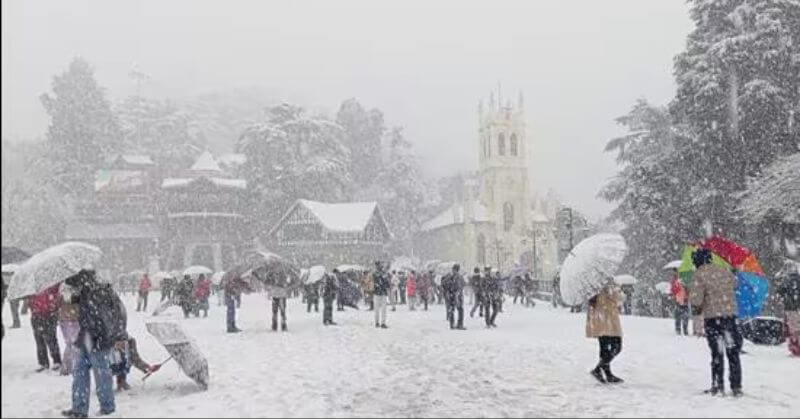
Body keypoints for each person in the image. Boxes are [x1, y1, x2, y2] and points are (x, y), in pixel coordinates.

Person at [61, 269, 125, 418]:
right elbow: (118, 312)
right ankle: (80, 409)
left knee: (99, 374)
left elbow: (105, 316)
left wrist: (105, 336)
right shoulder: (93, 289)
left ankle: (105, 408)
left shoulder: (96, 292)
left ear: (83, 279)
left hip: (97, 339)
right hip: (88, 338)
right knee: (81, 373)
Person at [689, 248, 742, 397]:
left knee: (717, 353)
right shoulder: (724, 270)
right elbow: (736, 284)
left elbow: (696, 301)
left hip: (713, 318)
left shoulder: (699, 274)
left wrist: (695, 300)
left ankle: (718, 385)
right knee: (733, 352)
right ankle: (736, 386)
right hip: (730, 317)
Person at [587, 281, 625, 384]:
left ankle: (606, 373)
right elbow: (619, 299)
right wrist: (619, 290)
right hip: (607, 320)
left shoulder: (592, 288)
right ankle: (599, 369)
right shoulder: (606, 286)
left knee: (605, 348)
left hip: (601, 320)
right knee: (616, 347)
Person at [30, 284, 62, 372]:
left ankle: (57, 360)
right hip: (36, 315)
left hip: (49, 315)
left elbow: (57, 295)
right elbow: (30, 300)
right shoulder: (32, 285)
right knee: (39, 340)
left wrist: (53, 305)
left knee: (51, 339)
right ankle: (43, 362)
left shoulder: (52, 283)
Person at [59, 285, 80, 376]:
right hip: (72, 320)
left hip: (66, 320)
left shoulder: (62, 288)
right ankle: (68, 367)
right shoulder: (71, 289)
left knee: (71, 344)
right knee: (73, 344)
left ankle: (67, 367)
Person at [777, 271, 800, 357]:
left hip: (790, 308)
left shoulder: (787, 281)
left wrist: (785, 299)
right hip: (797, 308)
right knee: (797, 329)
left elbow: (779, 291)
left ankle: (795, 348)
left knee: (793, 330)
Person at [442, 264, 466, 330]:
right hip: (457, 295)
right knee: (460, 310)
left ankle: (452, 324)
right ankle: (459, 324)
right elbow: (463, 284)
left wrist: (448, 291)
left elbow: (443, 283)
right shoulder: (459, 277)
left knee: (452, 309)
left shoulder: (449, 276)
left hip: (451, 295)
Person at [670, 269, 689, 336]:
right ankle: (678, 330)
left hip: (685, 301)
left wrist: (685, 286)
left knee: (685, 317)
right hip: (678, 301)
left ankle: (685, 330)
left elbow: (688, 291)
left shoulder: (685, 281)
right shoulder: (674, 282)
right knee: (678, 317)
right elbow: (673, 291)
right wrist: (677, 285)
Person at [373, 261, 390, 328]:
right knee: (382, 309)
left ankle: (378, 322)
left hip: (378, 292)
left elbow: (387, 283)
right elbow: (387, 283)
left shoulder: (375, 273)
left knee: (378, 309)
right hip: (381, 292)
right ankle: (381, 323)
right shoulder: (382, 273)